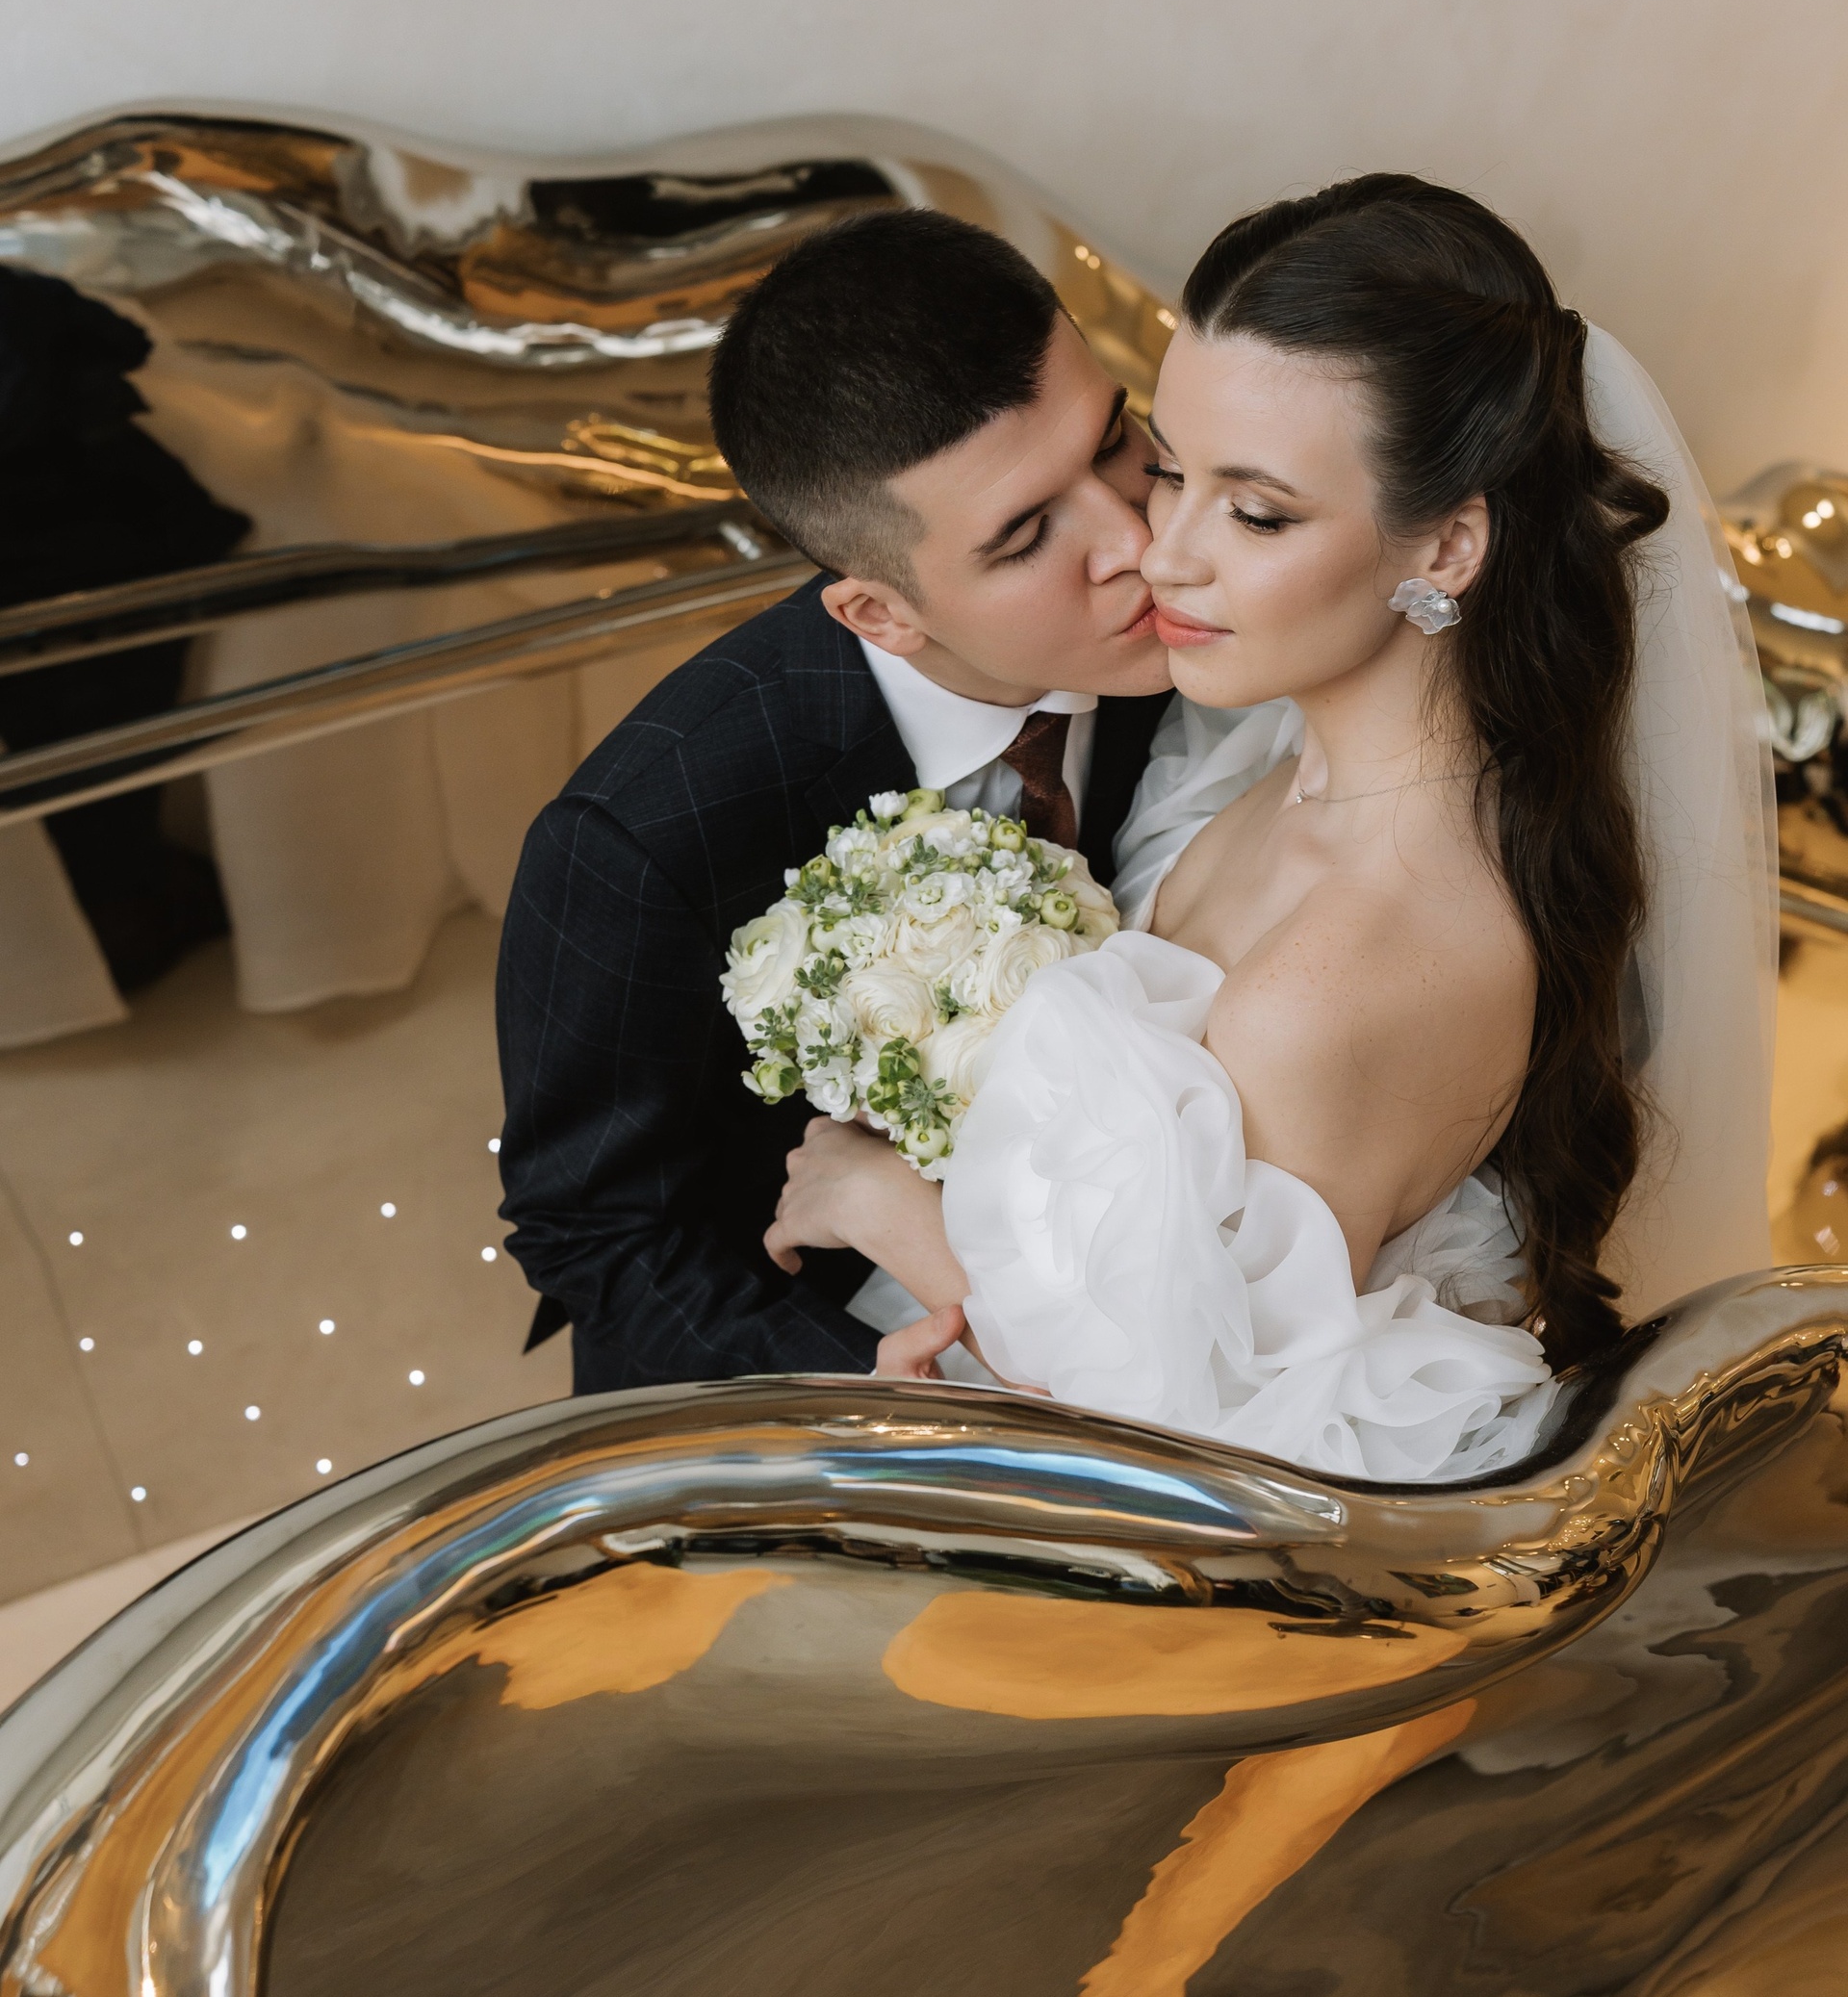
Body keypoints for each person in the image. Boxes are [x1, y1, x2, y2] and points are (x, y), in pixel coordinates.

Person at [766, 176, 1776, 1482]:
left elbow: (1204, 1460)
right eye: (1170, 471)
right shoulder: (1267, 757)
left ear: (1448, 549)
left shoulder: (1342, 976)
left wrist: (902, 1213)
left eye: (1256, 514)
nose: (1159, 553)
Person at [495, 210, 1292, 1392]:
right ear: (880, 613)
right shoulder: (644, 834)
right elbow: (597, 1236)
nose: (1140, 542)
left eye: (1115, 440)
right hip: (826, 1361)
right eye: (1027, 536)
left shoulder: (1218, 637)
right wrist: (871, 1383)